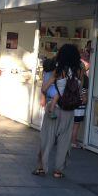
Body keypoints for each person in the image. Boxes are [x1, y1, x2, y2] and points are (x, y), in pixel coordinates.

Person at [34, 44, 84, 178]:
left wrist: (47, 87)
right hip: (69, 110)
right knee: (64, 140)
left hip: (54, 108)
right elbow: (81, 90)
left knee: (47, 138)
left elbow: (44, 88)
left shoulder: (58, 70)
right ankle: (58, 170)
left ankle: (42, 167)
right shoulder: (79, 71)